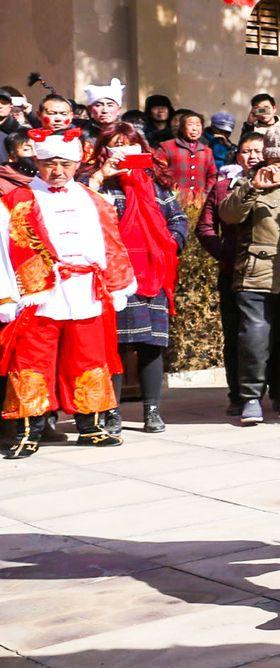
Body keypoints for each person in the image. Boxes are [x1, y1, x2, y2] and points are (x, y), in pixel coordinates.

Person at [0, 127, 136, 457]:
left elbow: (112, 245)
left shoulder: (95, 201)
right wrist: (7, 296)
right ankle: (29, 430)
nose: (57, 171)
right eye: (49, 163)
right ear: (38, 161)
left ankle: (90, 426)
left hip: (86, 292)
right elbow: (2, 252)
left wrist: (118, 286)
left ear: (77, 164)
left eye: (64, 164)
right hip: (39, 296)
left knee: (89, 359)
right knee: (32, 361)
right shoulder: (13, 203)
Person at [86, 125, 186, 435]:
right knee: (112, 346)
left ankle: (152, 410)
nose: (123, 151)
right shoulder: (96, 183)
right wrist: (101, 176)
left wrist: (168, 243)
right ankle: (111, 411)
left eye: (130, 145)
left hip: (152, 273)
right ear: (105, 149)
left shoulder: (156, 186)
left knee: (151, 345)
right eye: (117, 145)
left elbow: (178, 219)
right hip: (113, 276)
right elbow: (82, 211)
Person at [218, 125, 280, 424]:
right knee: (255, 340)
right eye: (278, 162)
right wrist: (253, 187)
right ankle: (250, 399)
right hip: (257, 273)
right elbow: (228, 215)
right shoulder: (249, 182)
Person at [199, 131, 263, 415]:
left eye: (259, 151)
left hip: (271, 271)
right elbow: (205, 227)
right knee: (237, 333)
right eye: (248, 151)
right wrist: (225, 253)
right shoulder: (223, 187)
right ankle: (238, 394)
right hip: (234, 271)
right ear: (238, 156)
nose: (254, 157)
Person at [155, 110, 219, 215]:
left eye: (198, 125)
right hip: (171, 202)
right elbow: (158, 171)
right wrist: (172, 190)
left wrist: (205, 194)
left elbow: (212, 175)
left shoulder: (206, 151)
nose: (194, 129)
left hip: (199, 204)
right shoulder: (166, 147)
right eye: (190, 125)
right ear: (181, 127)